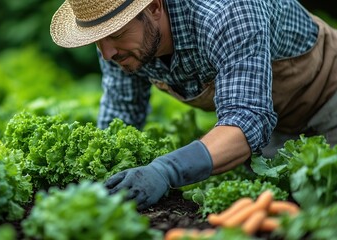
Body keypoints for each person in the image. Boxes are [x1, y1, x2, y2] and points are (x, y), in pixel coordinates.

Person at [50, 0, 337, 210]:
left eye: (115, 34)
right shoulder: (118, 50)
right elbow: (122, 112)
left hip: (329, 100)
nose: (107, 52)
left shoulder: (228, 12)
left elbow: (246, 119)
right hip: (277, 126)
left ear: (154, 8)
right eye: (97, 41)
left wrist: (166, 170)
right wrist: (101, 178)